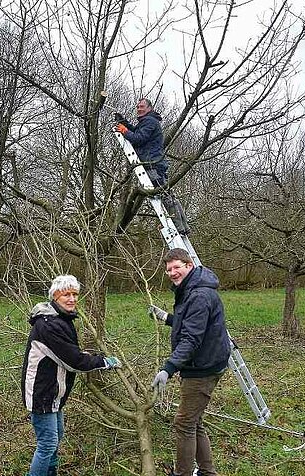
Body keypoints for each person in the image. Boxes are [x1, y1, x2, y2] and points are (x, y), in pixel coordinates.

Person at [21, 275, 121, 476]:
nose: (72, 299)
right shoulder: (49, 325)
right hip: (42, 393)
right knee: (47, 444)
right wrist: (103, 362)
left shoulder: (61, 319)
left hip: (54, 392)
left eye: (75, 294)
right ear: (55, 297)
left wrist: (87, 357)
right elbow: (74, 361)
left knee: (56, 439)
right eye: (66, 294)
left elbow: (68, 352)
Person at [148, 248, 231, 476]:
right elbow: (191, 322)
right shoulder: (192, 289)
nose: (173, 273)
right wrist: (166, 318)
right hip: (206, 361)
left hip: (202, 368)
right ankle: (206, 471)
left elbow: (191, 338)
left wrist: (168, 368)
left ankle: (183, 473)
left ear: (189, 266)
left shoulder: (198, 295)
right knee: (194, 421)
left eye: (177, 267)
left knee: (184, 423)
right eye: (169, 269)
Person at [115, 98, 190, 235]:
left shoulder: (149, 122)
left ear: (149, 108)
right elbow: (138, 132)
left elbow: (139, 138)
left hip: (152, 164)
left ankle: (179, 227)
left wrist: (124, 131)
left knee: (164, 195)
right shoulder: (148, 121)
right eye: (137, 106)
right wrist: (124, 123)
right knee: (168, 194)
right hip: (155, 163)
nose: (139, 108)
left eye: (142, 106)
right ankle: (183, 226)